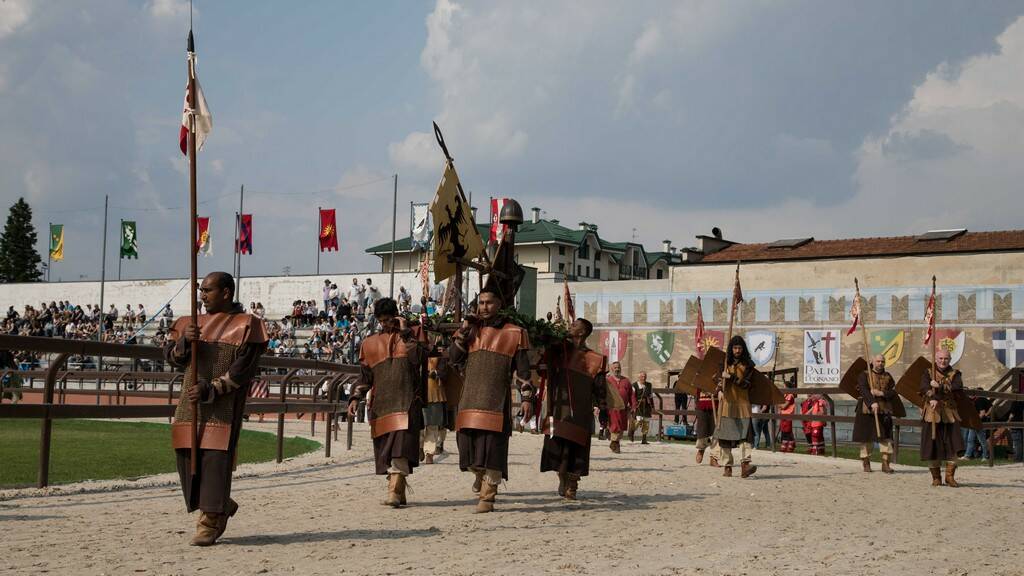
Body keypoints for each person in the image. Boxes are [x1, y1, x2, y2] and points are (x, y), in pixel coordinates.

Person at [164, 272, 267, 546]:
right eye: (201, 290)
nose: (202, 295)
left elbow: (241, 372)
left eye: (208, 290)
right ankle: (220, 501)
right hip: (190, 404)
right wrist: (185, 340)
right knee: (187, 459)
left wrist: (212, 389)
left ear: (226, 292)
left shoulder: (248, 325)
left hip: (223, 406)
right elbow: (173, 359)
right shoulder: (191, 323)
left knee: (214, 461)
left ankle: (211, 518)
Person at [448, 288, 531, 513]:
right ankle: (479, 473)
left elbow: (523, 371)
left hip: (497, 400)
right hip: (469, 400)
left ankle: (488, 496)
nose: (484, 307)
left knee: (494, 449)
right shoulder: (470, 332)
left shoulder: (516, 332)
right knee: (467, 448)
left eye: (489, 303)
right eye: (481, 303)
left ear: (499, 305)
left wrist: (526, 399)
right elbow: (452, 358)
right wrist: (464, 331)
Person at [348, 297, 427, 507]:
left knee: (401, 448)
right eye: (382, 320)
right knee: (386, 451)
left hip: (407, 401)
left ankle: (393, 492)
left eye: (389, 319)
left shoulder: (413, 334)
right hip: (381, 405)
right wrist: (355, 397)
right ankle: (398, 490)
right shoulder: (369, 343)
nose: (386, 324)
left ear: (397, 315)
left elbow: (418, 359)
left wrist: (405, 331)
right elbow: (365, 377)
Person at [534, 318, 607, 500]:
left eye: (574, 325)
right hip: (557, 409)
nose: (569, 327)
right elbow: (541, 371)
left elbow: (600, 388)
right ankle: (561, 477)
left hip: (580, 413)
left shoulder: (595, 359)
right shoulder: (558, 352)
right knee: (557, 448)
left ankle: (572, 485)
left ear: (582, 332)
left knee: (577, 450)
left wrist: (603, 407)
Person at [920, 348, 965, 487]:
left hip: (950, 412)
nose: (943, 361)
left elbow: (956, 388)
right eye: (940, 358)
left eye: (946, 358)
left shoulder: (955, 374)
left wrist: (939, 386)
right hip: (933, 413)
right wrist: (932, 397)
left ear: (950, 360)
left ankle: (949, 477)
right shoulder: (928, 372)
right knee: (932, 445)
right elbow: (923, 388)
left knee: (953, 444)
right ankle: (936, 477)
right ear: (936, 359)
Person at [715, 335, 757, 478]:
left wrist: (731, 377)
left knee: (746, 435)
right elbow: (718, 379)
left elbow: (746, 384)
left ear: (743, 349)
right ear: (731, 349)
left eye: (739, 348)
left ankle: (745, 465)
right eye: (735, 348)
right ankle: (727, 466)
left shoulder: (749, 364)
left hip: (743, 403)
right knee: (725, 436)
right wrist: (719, 389)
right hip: (727, 403)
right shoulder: (725, 362)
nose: (737, 350)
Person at [852, 354, 898, 473]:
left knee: (886, 438)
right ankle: (866, 462)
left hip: (884, 410)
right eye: (878, 361)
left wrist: (881, 394)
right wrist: (872, 402)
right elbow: (863, 389)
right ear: (872, 362)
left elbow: (893, 392)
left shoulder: (888, 376)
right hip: (866, 410)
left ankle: (885, 463)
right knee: (866, 437)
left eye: (882, 361)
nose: (880, 363)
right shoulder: (864, 375)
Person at [421, 353, 449, 464]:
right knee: (418, 427)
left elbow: (444, 372)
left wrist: (436, 373)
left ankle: (429, 453)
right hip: (418, 393)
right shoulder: (416, 352)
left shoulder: (441, 356)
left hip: (434, 393)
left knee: (432, 425)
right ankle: (419, 447)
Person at [605, 361, 634, 453]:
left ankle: (615, 444)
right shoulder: (608, 381)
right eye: (615, 368)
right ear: (612, 369)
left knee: (621, 427)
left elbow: (631, 395)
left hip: (623, 408)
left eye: (618, 367)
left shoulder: (626, 381)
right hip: (612, 408)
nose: (617, 369)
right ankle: (614, 443)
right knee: (615, 426)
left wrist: (633, 405)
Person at [962, 388, 992, 461]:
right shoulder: (982, 399)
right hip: (974, 423)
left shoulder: (979, 400)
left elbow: (982, 413)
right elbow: (991, 407)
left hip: (978, 423)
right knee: (970, 439)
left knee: (981, 440)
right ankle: (967, 455)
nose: (968, 396)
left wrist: (974, 420)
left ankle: (985, 456)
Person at [694, 389, 719, 465]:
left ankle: (714, 457)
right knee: (702, 431)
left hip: (716, 402)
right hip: (702, 402)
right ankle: (701, 449)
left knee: (716, 432)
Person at [629, 371, 654, 444]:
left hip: (646, 406)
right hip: (638, 406)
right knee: (638, 421)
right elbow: (632, 396)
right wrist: (633, 406)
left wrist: (652, 406)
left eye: (645, 376)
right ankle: (632, 432)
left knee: (646, 422)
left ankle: (644, 439)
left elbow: (651, 396)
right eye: (642, 376)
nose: (644, 378)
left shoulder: (649, 385)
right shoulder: (634, 385)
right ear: (639, 377)